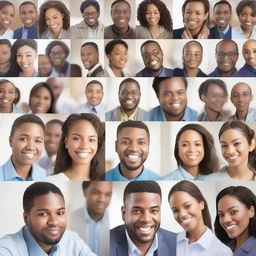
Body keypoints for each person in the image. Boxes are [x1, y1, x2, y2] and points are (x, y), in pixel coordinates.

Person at [0, 182, 96, 255]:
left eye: (60, 213)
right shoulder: (6, 250)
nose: (54, 222)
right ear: (26, 218)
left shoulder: (71, 240)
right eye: (43, 214)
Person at [110, 180, 177, 255]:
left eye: (154, 211)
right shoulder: (105, 243)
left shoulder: (176, 243)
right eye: (137, 211)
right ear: (124, 213)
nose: (146, 219)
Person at [168, 181, 232, 256]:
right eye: (175, 210)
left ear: (201, 204)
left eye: (187, 206)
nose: (182, 214)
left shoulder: (222, 252)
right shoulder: (169, 243)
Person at [48, 113, 105, 181]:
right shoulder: (52, 180)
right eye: (76, 138)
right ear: (66, 142)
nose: (84, 146)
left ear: (98, 144)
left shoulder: (106, 179)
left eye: (91, 140)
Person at [70, 181, 112, 256]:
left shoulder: (118, 222)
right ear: (85, 192)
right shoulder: (69, 219)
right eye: (95, 193)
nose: (102, 200)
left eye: (108, 194)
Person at [0, 114, 46, 181]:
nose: (31, 147)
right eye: (23, 139)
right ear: (10, 141)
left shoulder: (46, 175)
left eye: (37, 141)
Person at [215, 186, 256, 255]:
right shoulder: (223, 247)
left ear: (251, 211)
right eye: (221, 215)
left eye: (233, 212)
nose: (225, 220)